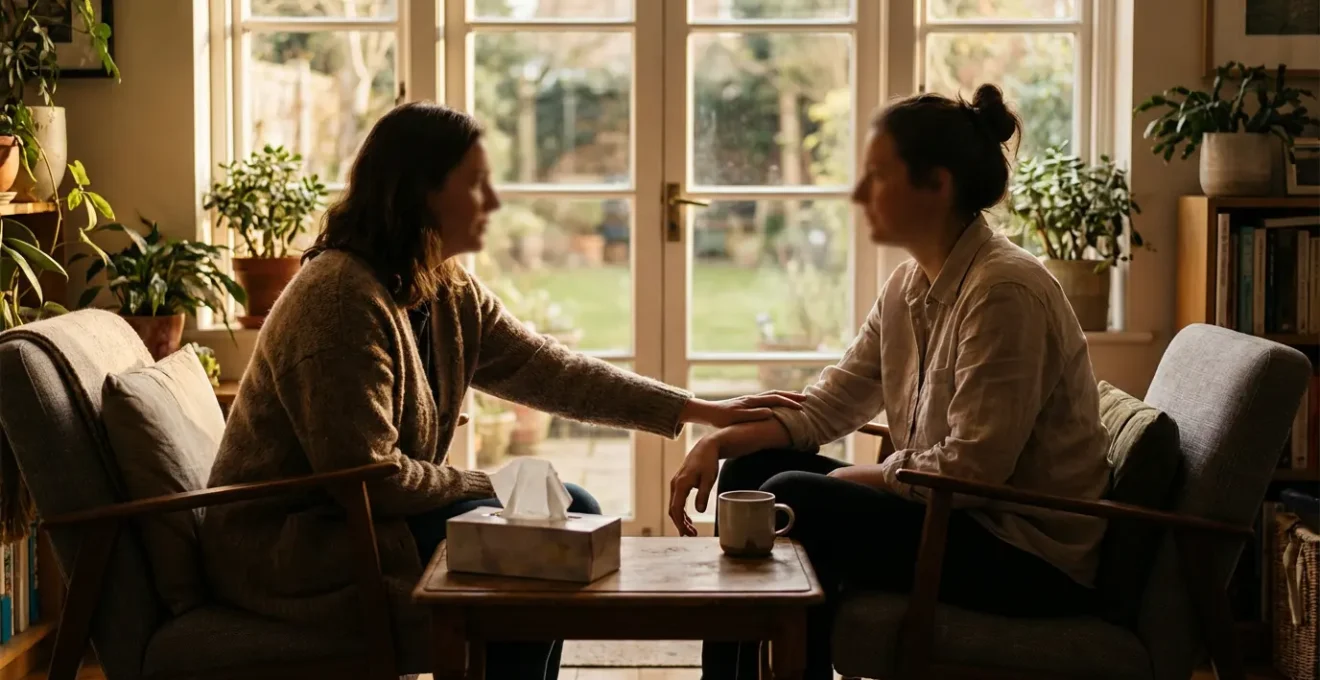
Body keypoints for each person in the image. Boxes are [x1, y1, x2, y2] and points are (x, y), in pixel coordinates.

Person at [200, 102, 805, 679]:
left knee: (570, 513)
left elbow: (550, 370)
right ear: (421, 193)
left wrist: (697, 409)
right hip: (299, 546)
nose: (493, 200)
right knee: (551, 532)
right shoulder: (338, 299)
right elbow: (368, 476)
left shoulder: (441, 285)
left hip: (363, 522)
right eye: (476, 183)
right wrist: (501, 485)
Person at [668, 84, 1111, 680]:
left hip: (1023, 551)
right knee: (751, 475)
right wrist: (719, 443)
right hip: (950, 521)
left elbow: (973, 471)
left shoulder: (1005, 292)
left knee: (800, 494)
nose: (857, 194)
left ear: (937, 184)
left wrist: (860, 477)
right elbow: (828, 405)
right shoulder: (908, 286)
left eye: (877, 176)